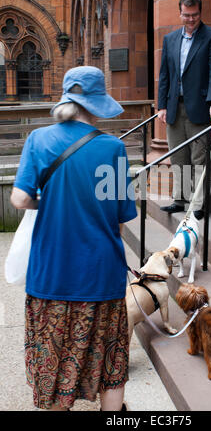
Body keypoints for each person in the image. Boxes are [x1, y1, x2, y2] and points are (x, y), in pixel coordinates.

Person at [10, 66, 137, 411]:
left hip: (52, 274)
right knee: (111, 362)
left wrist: (47, 202)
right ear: (95, 104)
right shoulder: (113, 148)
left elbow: (20, 200)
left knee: (54, 365)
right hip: (101, 275)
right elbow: (121, 217)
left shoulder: (39, 139)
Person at [158, 0, 211, 217]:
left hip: (200, 107)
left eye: (194, 14)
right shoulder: (170, 39)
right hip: (174, 107)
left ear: (200, 12)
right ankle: (179, 199)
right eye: (186, 15)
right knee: (178, 157)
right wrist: (162, 106)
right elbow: (165, 75)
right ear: (180, 13)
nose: (190, 19)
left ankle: (198, 205)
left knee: (199, 158)